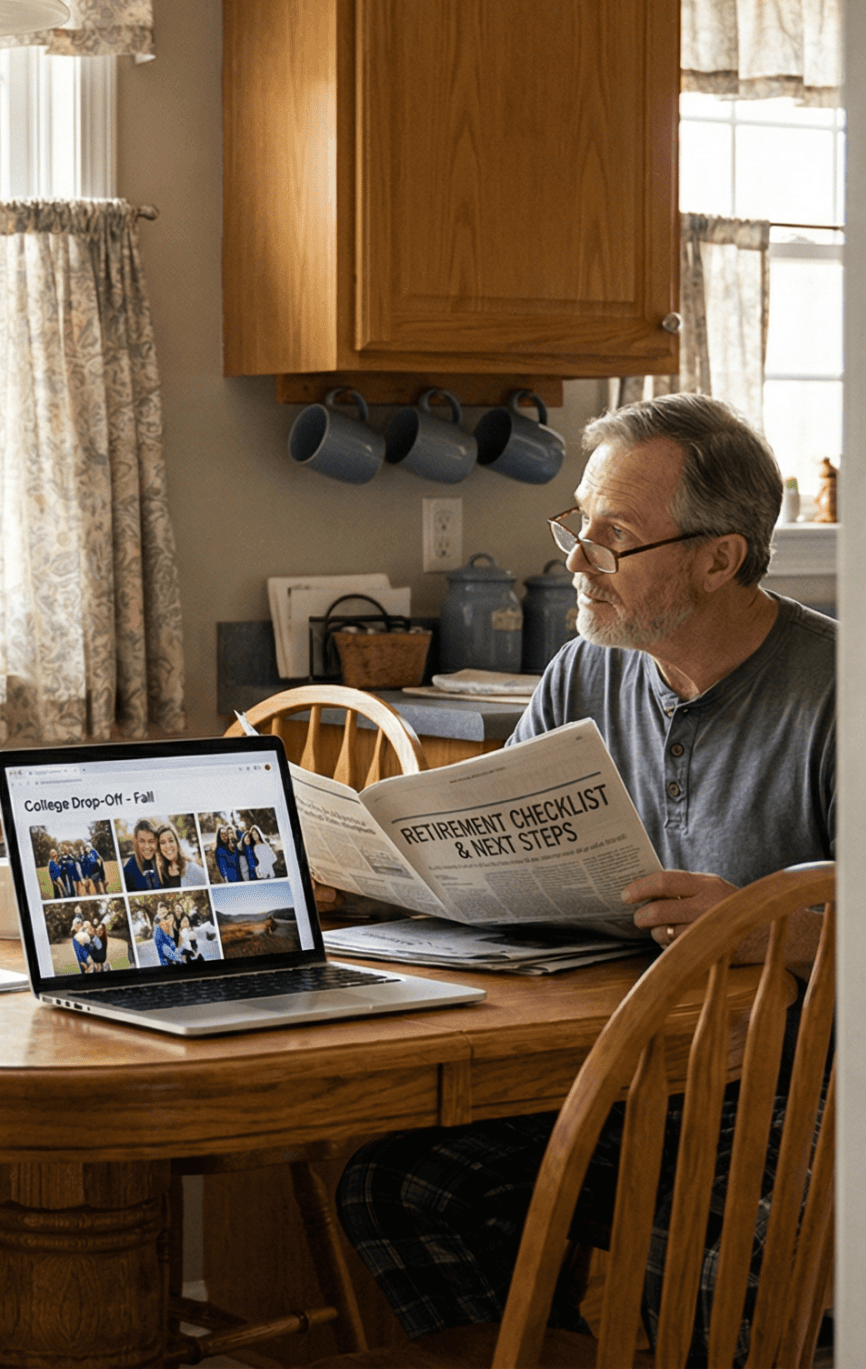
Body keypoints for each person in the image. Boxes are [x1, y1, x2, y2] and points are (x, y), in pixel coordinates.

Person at [336, 393, 836, 1360]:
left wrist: (766, 922)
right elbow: (497, 848)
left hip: (783, 1099)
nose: (575, 560)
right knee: (397, 1187)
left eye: (613, 538)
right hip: (616, 1069)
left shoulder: (842, 692)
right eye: (577, 525)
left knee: (687, 1250)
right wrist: (380, 875)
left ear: (719, 557)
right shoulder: (583, 671)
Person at [119, 820, 166, 893]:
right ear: (135, 841)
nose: (147, 846)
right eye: (142, 841)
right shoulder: (128, 871)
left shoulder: (162, 864)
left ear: (156, 841)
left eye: (151, 841)